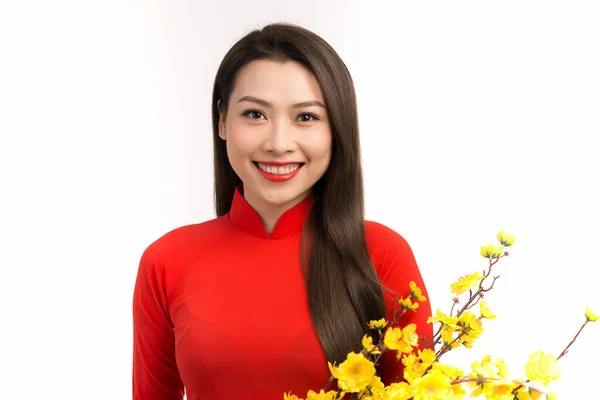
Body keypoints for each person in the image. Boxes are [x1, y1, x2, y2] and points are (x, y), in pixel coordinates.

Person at [132, 22, 433, 400]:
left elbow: (421, 392)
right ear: (222, 120)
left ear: (336, 129)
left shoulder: (382, 255)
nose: (278, 143)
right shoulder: (167, 261)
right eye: (255, 115)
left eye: (305, 117)